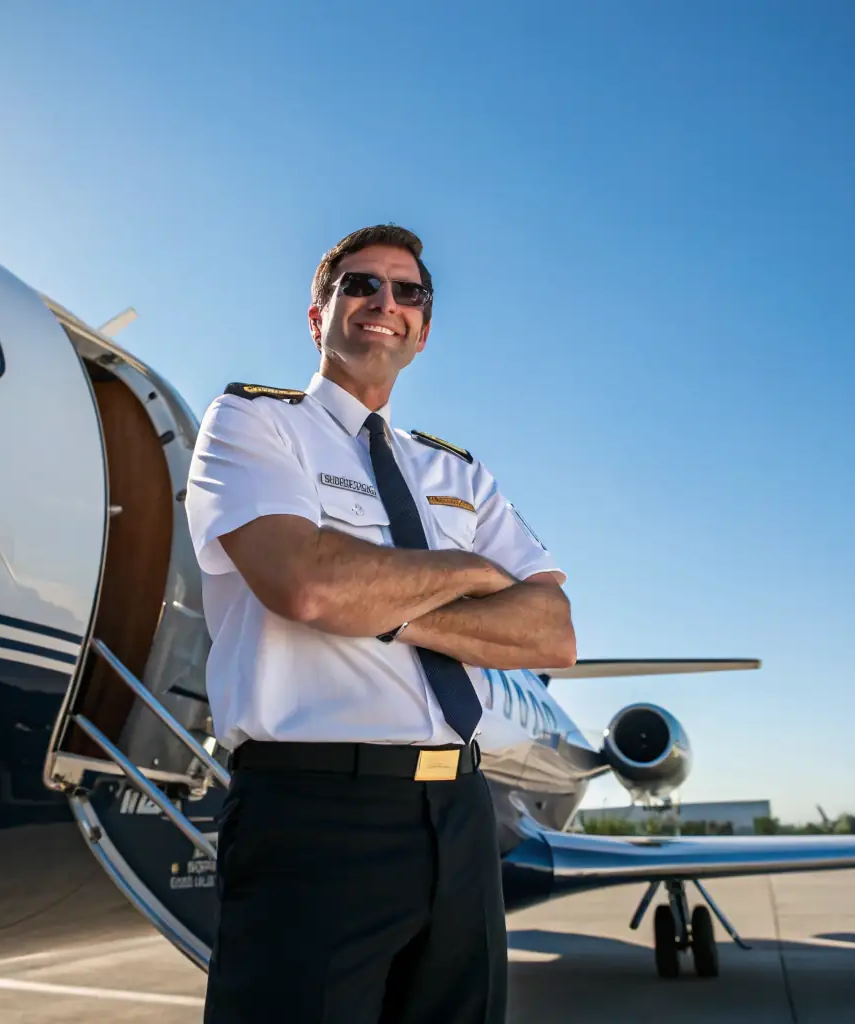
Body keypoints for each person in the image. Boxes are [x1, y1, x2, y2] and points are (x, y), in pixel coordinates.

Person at [184, 224, 576, 1023]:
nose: (383, 303)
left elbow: (551, 634)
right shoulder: (253, 425)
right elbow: (307, 586)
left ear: (423, 329)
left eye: (408, 292)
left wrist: (384, 605)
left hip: (463, 813)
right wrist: (470, 576)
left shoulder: (457, 472)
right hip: (314, 810)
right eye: (359, 285)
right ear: (317, 314)